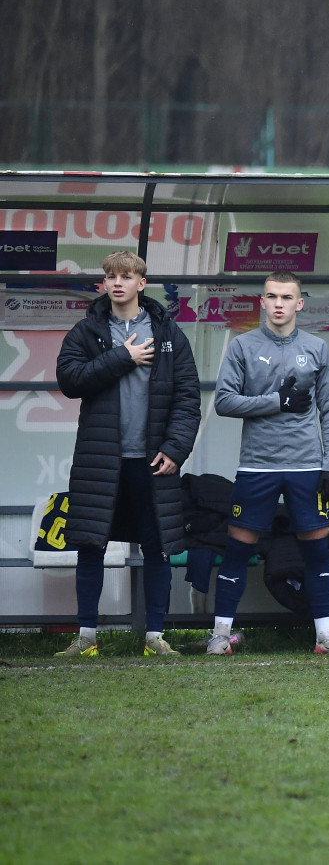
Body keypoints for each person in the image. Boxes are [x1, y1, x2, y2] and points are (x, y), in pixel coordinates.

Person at [54, 250, 201, 657]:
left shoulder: (168, 333)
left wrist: (175, 449)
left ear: (141, 283)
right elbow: (69, 380)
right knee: (91, 546)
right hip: (102, 460)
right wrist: (123, 357)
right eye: (111, 277)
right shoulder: (86, 331)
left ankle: (155, 638)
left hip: (152, 461)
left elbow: (188, 398)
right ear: (104, 283)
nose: (117, 283)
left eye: (126, 276)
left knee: (157, 547)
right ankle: (86, 638)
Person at [208, 270, 329, 655]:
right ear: (262, 301)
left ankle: (325, 637)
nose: (278, 304)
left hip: (306, 466)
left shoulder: (317, 348)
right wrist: (277, 401)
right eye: (271, 296)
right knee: (238, 549)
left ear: (299, 303)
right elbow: (224, 401)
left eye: (286, 297)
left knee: (317, 551)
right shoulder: (242, 346)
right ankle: (220, 636)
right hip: (257, 466)